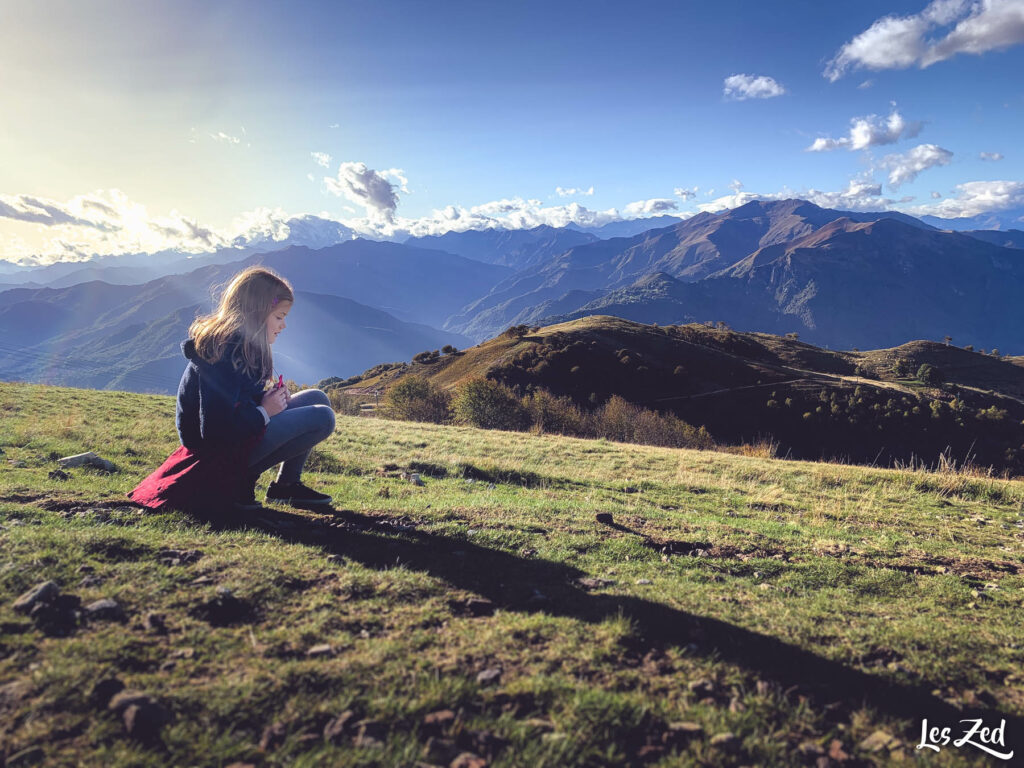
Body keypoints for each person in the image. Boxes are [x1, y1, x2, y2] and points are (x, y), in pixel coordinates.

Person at [129, 266, 335, 513]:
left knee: (317, 397)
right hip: (215, 455)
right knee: (322, 416)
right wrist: (264, 411)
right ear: (257, 314)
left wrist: (267, 399)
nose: (284, 325)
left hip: (236, 437)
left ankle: (286, 486)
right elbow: (214, 432)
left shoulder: (242, 347)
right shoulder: (220, 355)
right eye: (279, 317)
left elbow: (237, 399)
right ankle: (238, 483)